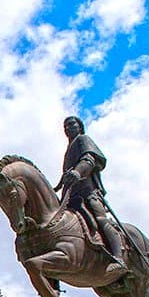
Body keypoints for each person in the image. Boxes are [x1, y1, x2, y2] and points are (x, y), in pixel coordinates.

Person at [55, 115, 126, 277]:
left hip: (87, 191)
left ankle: (118, 258)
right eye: (65, 126)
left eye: (71, 124)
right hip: (71, 194)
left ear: (79, 126)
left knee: (101, 219)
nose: (68, 128)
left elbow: (90, 160)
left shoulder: (83, 140)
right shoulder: (69, 149)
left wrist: (77, 172)